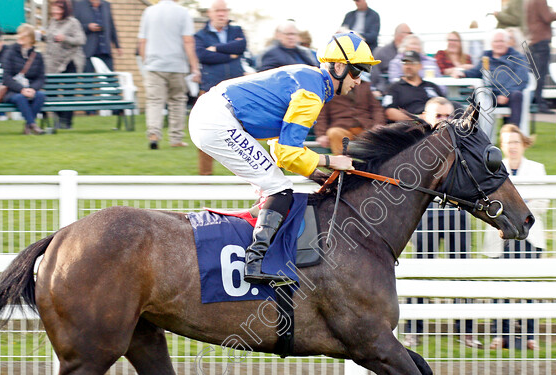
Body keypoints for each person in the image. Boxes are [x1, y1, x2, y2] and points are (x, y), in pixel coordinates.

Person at [189, 31, 377, 284]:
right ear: (340, 67)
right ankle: (255, 262)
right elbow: (289, 153)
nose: (359, 81)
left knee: (274, 187)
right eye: (357, 72)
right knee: (279, 188)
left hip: (213, 115)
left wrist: (317, 174)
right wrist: (332, 161)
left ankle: (252, 244)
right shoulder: (311, 94)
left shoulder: (311, 81)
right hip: (217, 120)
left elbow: (281, 151)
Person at [404, 96, 478, 349]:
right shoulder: (416, 146)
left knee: (462, 272)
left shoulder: (461, 144)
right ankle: (413, 329)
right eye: (438, 116)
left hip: (457, 214)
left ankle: (466, 330)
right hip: (426, 216)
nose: (445, 121)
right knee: (420, 272)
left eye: (449, 117)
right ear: (426, 117)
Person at [485, 124, 548, 351]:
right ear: (501, 146)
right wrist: (522, 204)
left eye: (515, 142)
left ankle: (529, 335)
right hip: (499, 238)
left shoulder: (537, 169)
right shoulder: (493, 168)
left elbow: (542, 204)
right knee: (499, 288)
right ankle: (499, 335)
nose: (511, 147)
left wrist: (514, 207)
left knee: (528, 288)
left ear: (523, 144)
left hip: (529, 238)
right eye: (507, 142)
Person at [138, 0, 201, 150]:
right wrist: (194, 66)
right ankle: (176, 139)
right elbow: (188, 41)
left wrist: (145, 61)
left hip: (154, 65)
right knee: (177, 101)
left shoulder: (149, 12)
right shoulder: (183, 12)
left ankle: (153, 135)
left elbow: (142, 41)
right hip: (177, 65)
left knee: (154, 101)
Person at [194, 0, 247, 175]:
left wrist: (216, 48)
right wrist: (230, 55)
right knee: (205, 132)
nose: (221, 13)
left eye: (224, 10)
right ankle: (205, 176)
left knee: (243, 134)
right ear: (210, 13)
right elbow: (203, 55)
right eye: (217, 10)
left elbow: (241, 47)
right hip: (211, 88)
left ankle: (247, 174)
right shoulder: (200, 35)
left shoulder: (236, 31)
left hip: (237, 89)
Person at [459, 29, 529, 127]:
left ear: (507, 43)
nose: (498, 44)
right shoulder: (486, 56)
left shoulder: (517, 57)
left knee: (517, 95)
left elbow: (522, 78)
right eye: (496, 41)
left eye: (501, 41)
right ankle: (473, 133)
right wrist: (462, 73)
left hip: (510, 94)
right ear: (491, 43)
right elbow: (476, 71)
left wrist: (505, 93)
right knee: (478, 94)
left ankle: (512, 132)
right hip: (490, 94)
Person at [44, 0, 86, 129]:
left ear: (65, 10)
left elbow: (81, 39)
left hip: (70, 61)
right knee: (51, 91)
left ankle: (67, 123)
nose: (55, 12)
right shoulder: (53, 22)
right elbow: (50, 39)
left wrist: (65, 38)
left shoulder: (73, 22)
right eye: (54, 9)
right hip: (53, 62)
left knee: (69, 93)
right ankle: (61, 116)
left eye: (58, 9)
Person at [314, 78, 385, 154]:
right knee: (334, 132)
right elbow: (321, 114)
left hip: (365, 128)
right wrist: (321, 134)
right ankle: (343, 162)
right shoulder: (330, 87)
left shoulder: (365, 85)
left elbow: (376, 108)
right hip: (342, 128)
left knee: (379, 135)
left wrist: (378, 124)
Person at [2, 24, 47, 135]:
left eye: (24, 36)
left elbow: (41, 78)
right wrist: (22, 90)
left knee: (40, 96)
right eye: (20, 34)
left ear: (31, 39)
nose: (20, 37)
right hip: (13, 90)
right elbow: (6, 78)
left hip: (30, 89)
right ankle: (32, 125)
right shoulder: (10, 52)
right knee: (20, 98)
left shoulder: (37, 56)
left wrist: (32, 89)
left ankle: (28, 126)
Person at [382, 50, 444, 122]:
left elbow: (444, 105)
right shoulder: (395, 87)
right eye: (405, 63)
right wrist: (417, 118)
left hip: (432, 124)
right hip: (407, 126)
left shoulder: (431, 86)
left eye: (412, 63)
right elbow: (389, 112)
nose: (408, 66)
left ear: (420, 66)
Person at [525, 0, 556, 112]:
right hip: (541, 41)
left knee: (535, 73)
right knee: (541, 74)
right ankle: (540, 104)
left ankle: (535, 102)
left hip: (533, 40)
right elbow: (547, 17)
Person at [73, 0, 121, 72]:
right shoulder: (79, 5)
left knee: (110, 79)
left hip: (105, 50)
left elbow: (111, 26)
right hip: (88, 51)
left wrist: (117, 45)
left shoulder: (106, 5)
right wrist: (87, 27)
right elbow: (73, 26)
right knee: (88, 80)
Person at [370, 23, 411, 95]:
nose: (411, 36)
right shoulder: (382, 52)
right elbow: (376, 74)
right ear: (398, 35)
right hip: (387, 90)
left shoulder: (412, 53)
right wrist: (380, 89)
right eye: (409, 33)